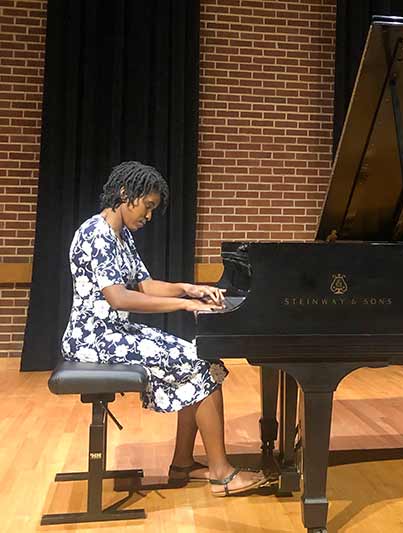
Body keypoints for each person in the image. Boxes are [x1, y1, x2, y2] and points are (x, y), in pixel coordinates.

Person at [61, 160, 265, 496]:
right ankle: (221, 474)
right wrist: (184, 304)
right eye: (148, 206)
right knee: (200, 364)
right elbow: (119, 298)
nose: (149, 216)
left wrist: (190, 288)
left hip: (113, 334)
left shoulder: (120, 235)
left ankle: (183, 465)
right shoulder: (95, 235)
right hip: (93, 339)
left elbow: (145, 285)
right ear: (126, 194)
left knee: (199, 357)